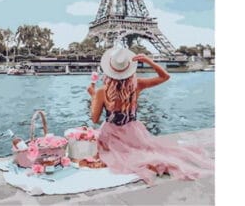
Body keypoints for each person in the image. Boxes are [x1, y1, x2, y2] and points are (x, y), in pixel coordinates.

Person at [87, 47, 214, 186]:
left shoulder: (101, 91)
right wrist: (149, 61)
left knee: (121, 156)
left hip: (112, 135)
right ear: (129, 68)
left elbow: (94, 119)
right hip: (134, 132)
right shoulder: (137, 84)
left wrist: (93, 96)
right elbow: (165, 76)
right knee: (152, 151)